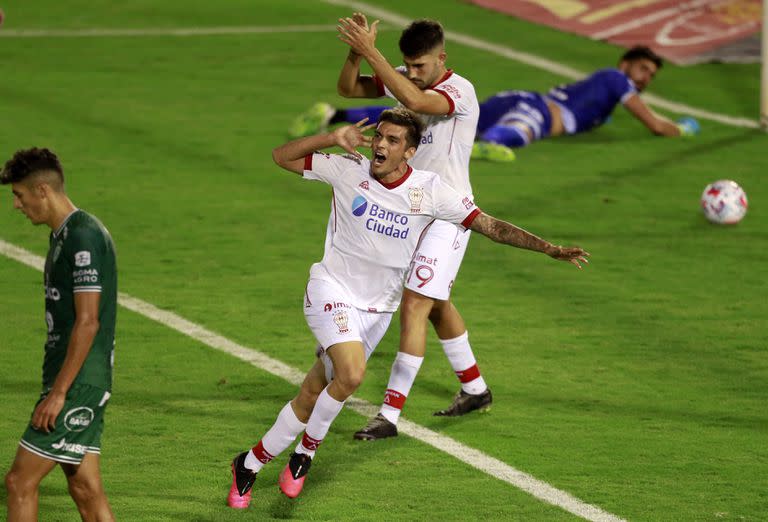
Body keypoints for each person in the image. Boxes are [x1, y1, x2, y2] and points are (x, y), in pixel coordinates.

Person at [227, 108, 589, 506]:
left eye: (392, 140)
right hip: (331, 288)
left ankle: (248, 463)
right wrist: (330, 138)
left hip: (377, 310)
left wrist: (547, 248)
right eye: (379, 136)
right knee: (351, 374)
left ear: (410, 152)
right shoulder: (348, 168)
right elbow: (282, 156)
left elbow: (489, 225)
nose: (380, 144)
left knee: (313, 393)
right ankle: (304, 456)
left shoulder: (431, 191)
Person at [334, 15, 494, 442]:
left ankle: (389, 415)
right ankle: (475, 388)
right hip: (410, 210)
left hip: (448, 212)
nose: (413, 73)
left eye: (421, 66)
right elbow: (349, 89)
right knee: (436, 302)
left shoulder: (460, 91)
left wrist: (374, 53)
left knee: (414, 304)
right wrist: (356, 51)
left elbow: (420, 104)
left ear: (442, 58)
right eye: (409, 65)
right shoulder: (404, 78)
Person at [290, 46, 700, 164]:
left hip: (518, 98)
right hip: (537, 109)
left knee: (432, 120)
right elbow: (653, 124)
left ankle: (332, 115)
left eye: (650, 74)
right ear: (627, 63)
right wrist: (682, 128)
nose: (645, 78)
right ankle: (493, 144)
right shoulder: (617, 79)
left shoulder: (608, 82)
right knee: (524, 131)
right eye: (643, 69)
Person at [2, 148, 117, 522]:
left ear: (42, 191)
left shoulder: (83, 236)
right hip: (74, 377)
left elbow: (89, 322)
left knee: (19, 482)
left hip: (77, 382)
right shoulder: (64, 236)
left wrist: (59, 392)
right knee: (86, 490)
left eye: (19, 195)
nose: (17, 206)